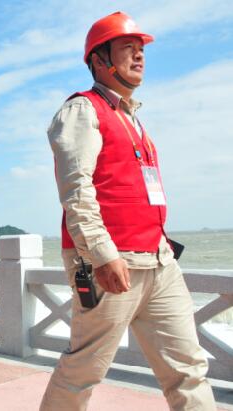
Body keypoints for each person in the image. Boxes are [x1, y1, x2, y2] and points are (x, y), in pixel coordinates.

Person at [40, 12, 216, 410]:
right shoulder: (82, 111)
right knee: (84, 370)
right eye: (127, 49)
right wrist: (102, 254)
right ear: (99, 60)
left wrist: (161, 249)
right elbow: (76, 191)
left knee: (188, 366)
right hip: (111, 262)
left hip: (158, 260)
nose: (139, 56)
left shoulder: (132, 117)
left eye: (141, 50)